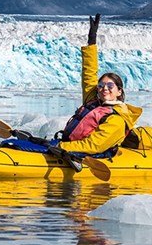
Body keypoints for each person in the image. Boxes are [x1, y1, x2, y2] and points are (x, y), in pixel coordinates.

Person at [52, 14, 142, 157]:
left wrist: (60, 146)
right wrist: (91, 41)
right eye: (101, 85)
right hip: (66, 146)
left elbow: (93, 145)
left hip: (81, 151)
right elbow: (89, 74)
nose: (104, 88)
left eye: (110, 85)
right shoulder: (93, 101)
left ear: (119, 91)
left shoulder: (117, 118)